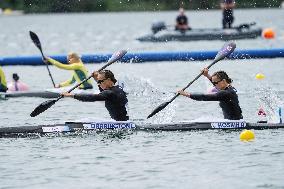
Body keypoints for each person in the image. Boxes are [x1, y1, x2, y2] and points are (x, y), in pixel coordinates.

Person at [62, 70, 129, 121]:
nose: (99, 84)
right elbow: (104, 92)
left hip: (119, 124)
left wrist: (72, 95)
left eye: (100, 82)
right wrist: (96, 78)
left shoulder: (110, 93)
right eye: (97, 82)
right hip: (123, 122)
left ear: (108, 80)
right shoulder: (118, 88)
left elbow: (91, 97)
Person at [178, 68, 243, 120]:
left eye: (215, 83)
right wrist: (207, 75)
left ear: (223, 81)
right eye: (213, 83)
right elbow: (217, 84)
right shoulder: (229, 88)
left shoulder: (225, 93)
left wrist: (185, 94)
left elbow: (204, 97)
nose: (214, 85)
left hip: (234, 124)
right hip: (235, 120)